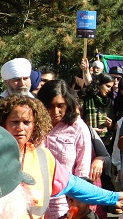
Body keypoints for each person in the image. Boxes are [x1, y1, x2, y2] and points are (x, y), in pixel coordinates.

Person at [0, 96, 123, 218]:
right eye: (14, 121)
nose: (20, 127)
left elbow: (72, 184)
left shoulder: (42, 156)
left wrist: (113, 197)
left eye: (26, 122)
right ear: (2, 123)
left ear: (35, 125)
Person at [37, 80, 94, 218]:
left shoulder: (78, 128)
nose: (55, 112)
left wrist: (77, 204)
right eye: (49, 106)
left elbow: (82, 170)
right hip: (34, 202)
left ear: (68, 104)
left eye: (60, 106)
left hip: (64, 204)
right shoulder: (33, 126)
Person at [81, 73, 115, 145]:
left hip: (105, 142)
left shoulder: (110, 102)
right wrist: (90, 130)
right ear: (99, 84)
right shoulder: (86, 99)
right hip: (87, 140)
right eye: (107, 86)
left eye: (111, 87)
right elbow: (77, 120)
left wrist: (110, 125)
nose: (109, 90)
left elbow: (113, 125)